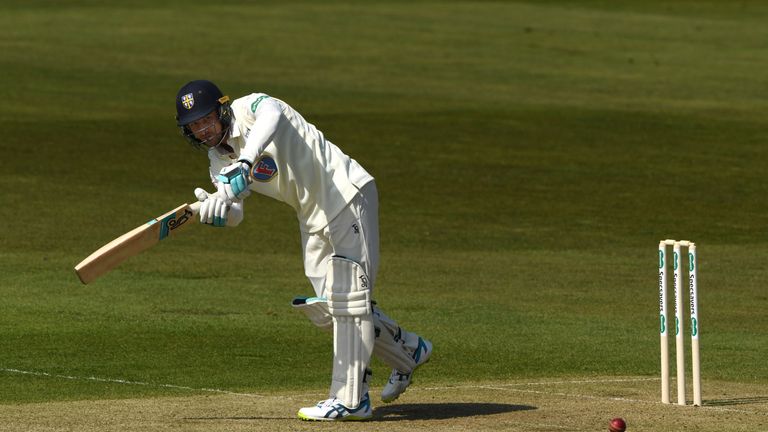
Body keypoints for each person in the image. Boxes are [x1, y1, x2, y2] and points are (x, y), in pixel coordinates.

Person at [174, 80, 433, 421]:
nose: (202, 130)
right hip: (311, 217)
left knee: (348, 297)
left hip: (344, 193)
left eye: (205, 119)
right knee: (328, 311)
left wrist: (246, 161)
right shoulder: (217, 161)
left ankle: (351, 400)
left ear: (221, 110)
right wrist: (216, 211)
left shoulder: (251, 108)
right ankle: (408, 352)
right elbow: (235, 211)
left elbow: (274, 113)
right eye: (193, 126)